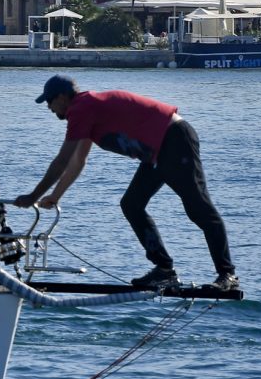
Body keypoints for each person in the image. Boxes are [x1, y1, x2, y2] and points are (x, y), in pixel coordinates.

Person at [13, 75, 239, 291]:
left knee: (199, 209)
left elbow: (62, 161)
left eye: (49, 101)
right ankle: (164, 270)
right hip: (158, 150)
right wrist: (55, 196)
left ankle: (227, 275)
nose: (49, 107)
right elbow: (77, 161)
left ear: (62, 97)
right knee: (132, 204)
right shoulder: (86, 110)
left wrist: (33, 196)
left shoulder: (81, 108)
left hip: (174, 139)